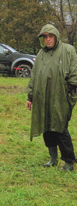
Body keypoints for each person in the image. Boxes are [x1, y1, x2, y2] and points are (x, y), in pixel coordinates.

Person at [26, 24, 77, 171]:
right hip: (43, 97)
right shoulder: (41, 54)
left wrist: (70, 89)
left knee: (60, 127)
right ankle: (53, 158)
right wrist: (30, 96)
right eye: (45, 37)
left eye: (51, 36)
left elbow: (74, 71)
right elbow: (34, 76)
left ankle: (68, 161)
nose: (48, 39)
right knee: (46, 127)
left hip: (60, 97)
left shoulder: (67, 50)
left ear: (56, 36)